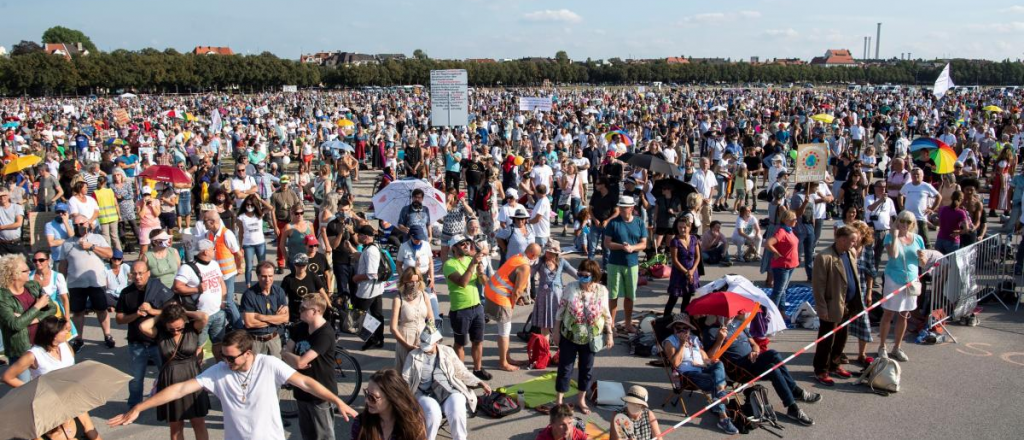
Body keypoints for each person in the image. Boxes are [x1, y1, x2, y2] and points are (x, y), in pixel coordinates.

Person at [108, 330, 358, 440]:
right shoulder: (219, 372)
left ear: (248, 353)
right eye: (223, 356)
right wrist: (140, 407)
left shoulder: (269, 364)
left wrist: (336, 401)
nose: (225, 361)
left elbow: (305, 382)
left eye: (230, 357)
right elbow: (181, 389)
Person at [703, 312, 820, 426]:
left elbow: (755, 344)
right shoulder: (711, 331)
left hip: (752, 360)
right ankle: (793, 404)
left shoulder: (738, 323)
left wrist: (755, 351)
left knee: (773, 354)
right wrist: (719, 340)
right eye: (725, 314)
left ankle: (794, 394)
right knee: (773, 369)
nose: (729, 316)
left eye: (731, 313)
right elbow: (709, 358)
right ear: (718, 315)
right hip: (739, 369)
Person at [403, 325, 492, 440]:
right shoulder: (413, 355)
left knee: (458, 403)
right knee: (433, 411)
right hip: (424, 394)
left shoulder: (448, 351)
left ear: (436, 342)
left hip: (448, 390)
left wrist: (480, 383)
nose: (424, 348)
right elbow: (405, 379)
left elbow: (462, 372)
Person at [137, 303, 211, 440]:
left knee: (198, 422)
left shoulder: (192, 329)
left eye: (179, 328)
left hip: (192, 377)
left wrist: (184, 312)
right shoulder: (160, 333)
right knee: (176, 426)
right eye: (172, 329)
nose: (176, 331)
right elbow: (143, 326)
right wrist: (162, 314)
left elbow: (204, 316)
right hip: (169, 380)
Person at [553, 259, 613, 415]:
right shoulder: (571, 288)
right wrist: (555, 331)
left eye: (585, 275)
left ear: (594, 276)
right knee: (565, 368)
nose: (581, 278)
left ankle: (581, 399)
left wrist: (610, 334)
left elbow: (606, 314)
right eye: (579, 274)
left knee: (586, 370)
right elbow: (561, 310)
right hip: (569, 335)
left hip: (590, 338)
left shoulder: (602, 291)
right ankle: (559, 400)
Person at [661, 314, 738, 434]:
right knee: (715, 381)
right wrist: (681, 344)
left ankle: (720, 393)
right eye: (678, 328)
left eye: (684, 328)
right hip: (687, 374)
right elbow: (675, 363)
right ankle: (723, 418)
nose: (681, 331)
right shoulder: (669, 341)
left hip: (702, 369)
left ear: (689, 329)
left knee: (719, 365)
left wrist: (720, 340)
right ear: (674, 329)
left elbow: (707, 358)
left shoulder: (695, 339)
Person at [809, 224, 864, 387]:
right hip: (832, 306)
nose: (855, 244)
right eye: (852, 240)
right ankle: (821, 370)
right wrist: (822, 308)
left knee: (841, 337)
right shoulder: (824, 257)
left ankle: (834, 364)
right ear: (842, 239)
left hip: (847, 305)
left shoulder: (850, 253)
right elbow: (818, 286)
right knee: (827, 339)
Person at [115, 260, 175, 408]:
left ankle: (168, 404)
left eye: (141, 273)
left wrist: (152, 311)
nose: (138, 277)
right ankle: (134, 407)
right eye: (134, 273)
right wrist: (136, 314)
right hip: (136, 343)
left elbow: (174, 312)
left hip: (157, 342)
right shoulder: (126, 293)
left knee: (165, 375)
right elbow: (119, 319)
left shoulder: (159, 289)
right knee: (136, 379)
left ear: (148, 273)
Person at [282, 294, 338, 440]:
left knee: (324, 436)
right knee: (307, 436)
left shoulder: (325, 334)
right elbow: (285, 352)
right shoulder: (300, 328)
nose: (299, 310)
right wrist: (292, 357)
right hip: (301, 392)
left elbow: (299, 362)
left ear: (316, 311)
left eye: (303, 308)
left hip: (320, 395)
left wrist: (292, 358)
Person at [0, 254, 58, 383]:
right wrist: (37, 306)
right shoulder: (2, 297)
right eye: (25, 271)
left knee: (48, 385)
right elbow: (15, 325)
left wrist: (32, 319)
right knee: (24, 389)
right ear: (13, 274)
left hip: (42, 344)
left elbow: (52, 308)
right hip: (21, 350)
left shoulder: (33, 286)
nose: (30, 272)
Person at [62, 214, 115, 352]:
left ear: (88, 224)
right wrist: (61, 282)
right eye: (76, 225)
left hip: (96, 282)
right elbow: (63, 265)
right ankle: (79, 338)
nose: (79, 227)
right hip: (76, 283)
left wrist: (91, 247)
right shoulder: (67, 243)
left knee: (101, 309)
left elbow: (109, 254)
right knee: (78, 312)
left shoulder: (97, 238)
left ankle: (107, 335)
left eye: (82, 224)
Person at [878, 211, 923, 363]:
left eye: (908, 222)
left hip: (911, 280)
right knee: (889, 313)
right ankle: (882, 346)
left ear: (912, 224)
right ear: (897, 221)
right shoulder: (890, 237)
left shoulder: (918, 239)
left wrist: (923, 259)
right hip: (894, 279)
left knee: (904, 314)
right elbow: (893, 255)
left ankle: (897, 347)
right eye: (902, 220)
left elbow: (922, 262)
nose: (904, 224)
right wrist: (895, 236)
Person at [444, 234, 490, 379]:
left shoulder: (471, 260)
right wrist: (472, 265)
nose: (466, 246)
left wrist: (481, 271)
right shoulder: (449, 264)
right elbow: (463, 282)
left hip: (477, 307)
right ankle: (461, 373)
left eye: (467, 243)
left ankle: (477, 369)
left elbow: (484, 282)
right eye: (462, 244)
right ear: (454, 248)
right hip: (460, 310)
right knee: (460, 344)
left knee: (478, 341)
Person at [172, 239, 228, 356]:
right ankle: (198, 371)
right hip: (201, 315)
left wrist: (223, 300)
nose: (215, 251)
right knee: (198, 347)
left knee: (219, 344)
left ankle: (219, 368)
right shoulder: (187, 268)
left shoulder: (214, 264)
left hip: (218, 313)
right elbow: (176, 287)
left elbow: (221, 282)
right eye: (213, 249)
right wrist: (196, 289)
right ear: (206, 252)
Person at [604, 195, 647, 334]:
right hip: (614, 263)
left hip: (632, 264)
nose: (622, 210)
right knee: (613, 295)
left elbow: (644, 244)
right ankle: (611, 325)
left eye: (625, 208)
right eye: (620, 207)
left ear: (632, 208)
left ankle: (628, 323)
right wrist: (622, 246)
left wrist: (633, 248)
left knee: (630, 296)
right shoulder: (613, 223)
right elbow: (607, 243)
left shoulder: (639, 223)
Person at [351, 369, 428, 440]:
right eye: (366, 393)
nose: (366, 400)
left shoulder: (412, 424)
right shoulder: (361, 423)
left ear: (391, 398)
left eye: (373, 397)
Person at [2, 315, 75, 386]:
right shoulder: (33, 355)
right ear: (53, 335)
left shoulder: (64, 344)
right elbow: (7, 377)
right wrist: (32, 392)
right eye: (63, 330)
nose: (67, 332)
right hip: (49, 397)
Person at [241, 261, 289, 357]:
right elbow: (249, 323)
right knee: (257, 370)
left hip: (274, 340)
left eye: (270, 276)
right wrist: (276, 319)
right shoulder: (249, 295)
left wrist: (261, 317)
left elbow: (285, 318)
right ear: (258, 276)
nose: (267, 279)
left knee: (276, 369)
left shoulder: (279, 291)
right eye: (264, 276)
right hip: (256, 342)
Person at [390, 267, 434, 371]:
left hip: (423, 340)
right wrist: (407, 346)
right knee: (406, 373)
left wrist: (431, 339)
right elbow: (393, 328)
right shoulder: (398, 299)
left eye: (416, 281)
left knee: (423, 373)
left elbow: (431, 318)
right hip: (406, 340)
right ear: (404, 282)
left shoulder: (424, 295)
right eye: (410, 282)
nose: (414, 284)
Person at [531, 241, 578, 335]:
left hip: (558, 297)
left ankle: (560, 345)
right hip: (543, 297)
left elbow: (574, 273)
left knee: (559, 322)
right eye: (547, 251)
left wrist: (588, 279)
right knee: (545, 325)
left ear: (556, 253)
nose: (547, 254)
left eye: (550, 252)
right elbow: (529, 274)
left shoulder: (562, 262)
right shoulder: (540, 261)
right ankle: (545, 347)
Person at [395, 224, 439, 322]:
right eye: (416, 238)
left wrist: (432, 278)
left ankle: (432, 321)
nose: (418, 241)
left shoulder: (426, 245)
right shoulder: (404, 247)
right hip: (409, 279)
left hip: (423, 276)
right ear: (411, 236)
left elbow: (431, 262)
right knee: (410, 301)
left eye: (420, 238)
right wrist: (403, 277)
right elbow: (398, 264)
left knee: (429, 299)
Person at [354, 224, 386, 350]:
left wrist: (356, 278)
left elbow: (372, 274)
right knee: (377, 314)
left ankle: (372, 338)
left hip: (368, 290)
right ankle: (378, 339)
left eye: (359, 235)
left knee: (359, 315)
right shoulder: (373, 247)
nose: (357, 236)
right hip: (376, 289)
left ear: (366, 236)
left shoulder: (371, 251)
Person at [766, 210, 799, 311]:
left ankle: (781, 311)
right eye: (794, 219)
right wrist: (776, 253)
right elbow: (768, 243)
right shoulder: (781, 231)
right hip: (782, 266)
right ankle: (771, 314)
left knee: (783, 290)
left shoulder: (789, 230)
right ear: (786, 220)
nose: (796, 221)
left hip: (790, 265)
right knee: (778, 291)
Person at [665, 218, 700, 316]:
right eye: (680, 227)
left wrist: (692, 271)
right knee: (673, 299)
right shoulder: (675, 241)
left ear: (690, 227)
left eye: (684, 227)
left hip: (692, 273)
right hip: (679, 274)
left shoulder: (694, 239)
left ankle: (683, 321)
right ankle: (665, 321)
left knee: (687, 299)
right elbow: (675, 260)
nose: (682, 230)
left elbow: (698, 257)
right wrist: (686, 272)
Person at [282, 253, 329, 324]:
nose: (301, 267)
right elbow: (281, 296)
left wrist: (330, 306)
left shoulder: (313, 276)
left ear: (307, 265)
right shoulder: (288, 279)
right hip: (295, 316)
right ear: (294, 264)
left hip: (312, 314)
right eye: (298, 265)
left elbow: (322, 292)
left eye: (303, 265)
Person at [900, 168, 941, 248]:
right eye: (913, 174)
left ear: (922, 176)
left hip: (921, 217)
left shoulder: (926, 186)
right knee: (908, 239)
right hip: (909, 218)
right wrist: (901, 206)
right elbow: (899, 194)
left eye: (918, 174)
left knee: (925, 240)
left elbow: (939, 197)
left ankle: (928, 257)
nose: (915, 176)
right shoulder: (907, 186)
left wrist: (932, 209)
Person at [270, 175, 301, 271]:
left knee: (295, 242)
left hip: (292, 222)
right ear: (280, 183)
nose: (284, 185)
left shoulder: (292, 193)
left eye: (286, 183)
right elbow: (272, 211)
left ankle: (295, 261)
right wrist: (275, 226)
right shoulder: (275, 195)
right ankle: (280, 264)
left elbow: (298, 206)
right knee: (281, 244)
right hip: (281, 222)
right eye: (283, 183)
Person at [236, 194, 267, 287]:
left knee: (262, 266)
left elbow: (271, 208)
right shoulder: (241, 217)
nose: (249, 207)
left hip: (260, 243)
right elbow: (240, 233)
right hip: (248, 244)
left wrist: (260, 199)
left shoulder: (259, 214)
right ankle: (248, 285)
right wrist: (240, 246)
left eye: (252, 205)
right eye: (247, 205)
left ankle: (262, 283)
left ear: (255, 205)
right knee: (249, 266)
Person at [935, 190, 969, 254]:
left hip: (940, 238)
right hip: (952, 240)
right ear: (961, 200)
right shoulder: (961, 212)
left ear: (951, 198)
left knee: (938, 262)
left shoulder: (942, 209)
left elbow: (938, 222)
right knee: (951, 262)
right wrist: (959, 232)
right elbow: (966, 229)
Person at [94, 176, 122, 250]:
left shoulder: (95, 193)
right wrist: (119, 215)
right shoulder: (110, 191)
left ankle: (108, 254)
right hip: (113, 216)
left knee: (106, 237)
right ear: (105, 182)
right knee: (115, 236)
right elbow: (116, 204)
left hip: (103, 218)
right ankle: (119, 253)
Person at [46, 202, 74, 268]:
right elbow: (51, 243)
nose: (60, 214)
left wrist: (65, 222)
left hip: (70, 257)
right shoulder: (49, 225)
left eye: (63, 212)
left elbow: (72, 236)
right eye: (58, 212)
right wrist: (68, 241)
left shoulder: (71, 222)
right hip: (58, 259)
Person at [0, 187, 26, 256]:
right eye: (0, 196)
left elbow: (18, 223)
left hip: (15, 242)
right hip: (2, 244)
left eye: (4, 195)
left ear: (8, 196)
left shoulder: (16, 207)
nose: (2, 198)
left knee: (26, 264)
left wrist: (2, 227)